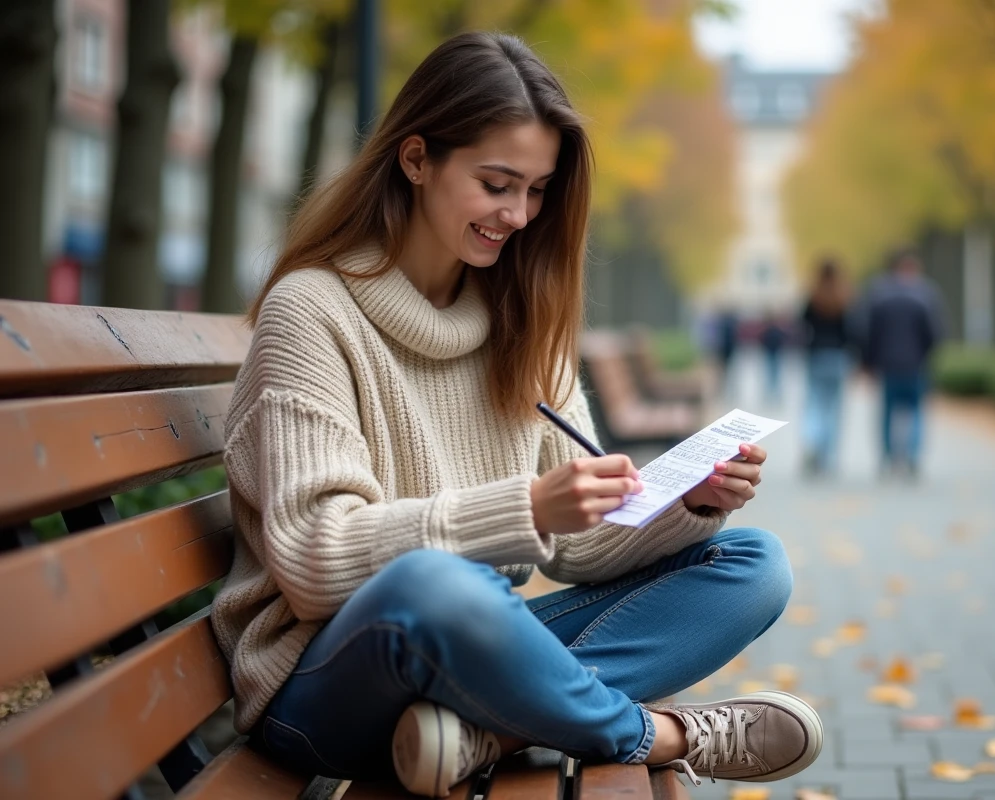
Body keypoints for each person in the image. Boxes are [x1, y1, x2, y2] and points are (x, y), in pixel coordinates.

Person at [211, 32, 822, 799]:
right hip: (324, 682)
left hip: (473, 657)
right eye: (497, 183)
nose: (520, 214)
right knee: (438, 587)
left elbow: (580, 553)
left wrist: (687, 502)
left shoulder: (520, 319)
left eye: (536, 190)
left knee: (753, 564)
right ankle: (664, 735)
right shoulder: (314, 313)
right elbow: (312, 562)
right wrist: (527, 507)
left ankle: (484, 734)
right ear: (416, 159)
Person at [860, 248, 943, 477]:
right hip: (916, 364)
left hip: (888, 365)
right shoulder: (925, 295)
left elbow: (869, 332)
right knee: (915, 411)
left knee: (887, 413)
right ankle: (913, 455)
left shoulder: (879, 294)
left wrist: (868, 361)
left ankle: (888, 456)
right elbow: (934, 333)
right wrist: (928, 355)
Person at [798, 259, 853, 475]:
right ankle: (828, 454)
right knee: (833, 409)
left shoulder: (813, 296)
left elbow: (802, 323)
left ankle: (813, 443)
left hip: (816, 355)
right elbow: (853, 328)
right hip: (839, 356)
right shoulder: (844, 297)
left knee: (814, 404)